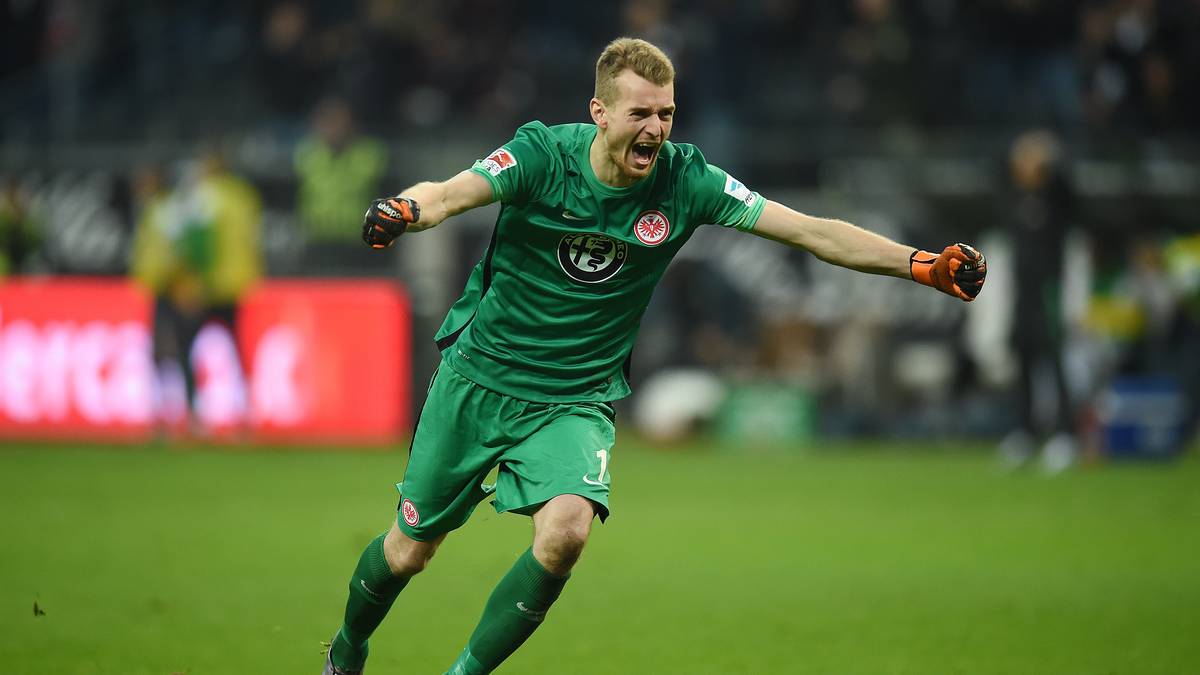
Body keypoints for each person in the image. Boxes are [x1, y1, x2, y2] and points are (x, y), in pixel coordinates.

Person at [322, 37, 986, 675]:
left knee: (566, 535)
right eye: (641, 112)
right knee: (410, 550)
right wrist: (407, 208)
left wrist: (922, 265)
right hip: (479, 378)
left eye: (667, 112)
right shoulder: (540, 155)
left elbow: (811, 230)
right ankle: (347, 651)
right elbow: (450, 191)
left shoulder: (686, 181)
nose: (656, 128)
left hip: (572, 400)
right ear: (599, 112)